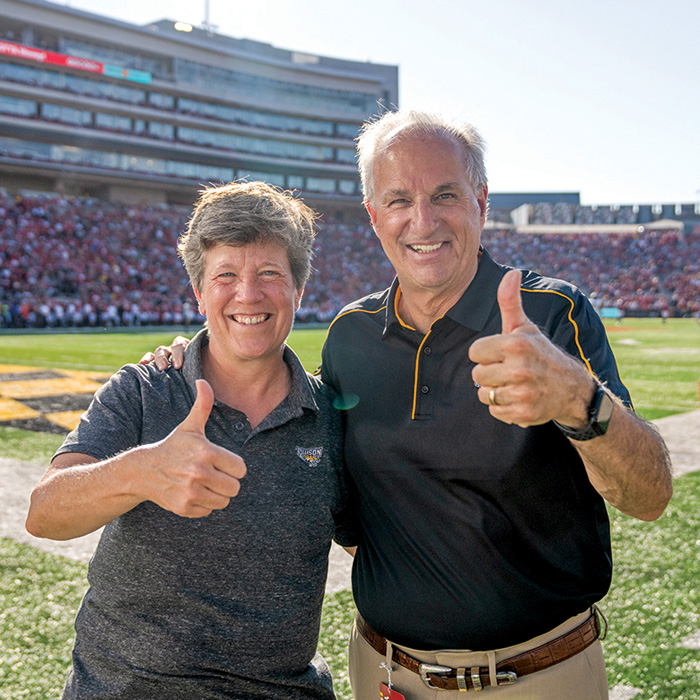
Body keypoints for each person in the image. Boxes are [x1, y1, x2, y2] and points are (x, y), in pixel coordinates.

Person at [150, 111, 673, 699]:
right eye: (398, 199)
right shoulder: (351, 335)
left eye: (444, 194)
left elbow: (649, 496)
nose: (421, 221)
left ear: (480, 201)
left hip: (538, 678)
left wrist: (580, 401)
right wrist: (197, 355)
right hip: (387, 676)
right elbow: (336, 493)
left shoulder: (551, 316)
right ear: (374, 216)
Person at [26, 181, 355, 700]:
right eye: (226, 275)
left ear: (299, 288)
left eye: (270, 273)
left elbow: (378, 548)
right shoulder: (144, 389)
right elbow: (44, 512)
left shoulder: (332, 420)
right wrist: (139, 472)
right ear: (200, 292)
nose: (249, 294)